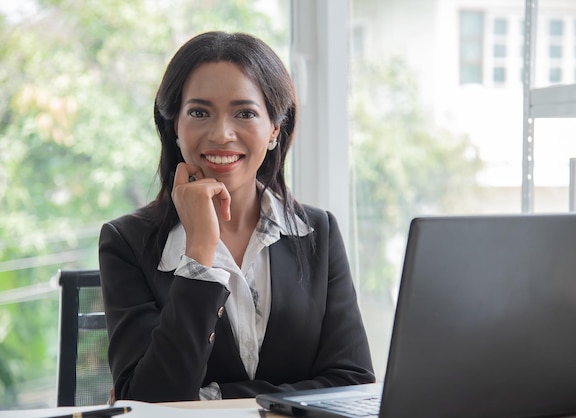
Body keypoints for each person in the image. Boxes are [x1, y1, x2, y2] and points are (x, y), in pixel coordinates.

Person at [98, 31, 375, 403]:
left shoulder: (317, 232)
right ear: (174, 127)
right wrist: (199, 252)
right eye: (199, 112)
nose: (221, 133)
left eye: (245, 113)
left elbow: (353, 383)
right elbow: (147, 401)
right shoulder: (127, 242)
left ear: (275, 128)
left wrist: (209, 399)